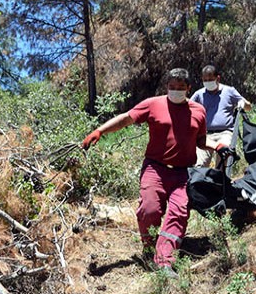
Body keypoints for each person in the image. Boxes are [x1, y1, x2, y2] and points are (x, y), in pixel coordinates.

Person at [81, 68, 225, 278]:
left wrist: (218, 146)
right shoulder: (153, 104)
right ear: (166, 87)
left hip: (181, 174)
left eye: (180, 88)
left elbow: (201, 141)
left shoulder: (198, 111)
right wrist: (100, 131)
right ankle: (148, 249)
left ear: (189, 89)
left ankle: (165, 261)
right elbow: (125, 118)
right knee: (149, 210)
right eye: (172, 87)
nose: (176, 91)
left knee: (178, 214)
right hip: (155, 168)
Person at [191, 65, 252, 168]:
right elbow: (188, 107)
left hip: (225, 133)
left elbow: (248, 107)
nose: (208, 82)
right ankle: (201, 183)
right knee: (199, 165)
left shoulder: (229, 91)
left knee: (223, 160)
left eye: (210, 79)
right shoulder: (199, 94)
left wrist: (243, 103)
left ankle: (221, 182)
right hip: (205, 134)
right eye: (205, 80)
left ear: (217, 78)